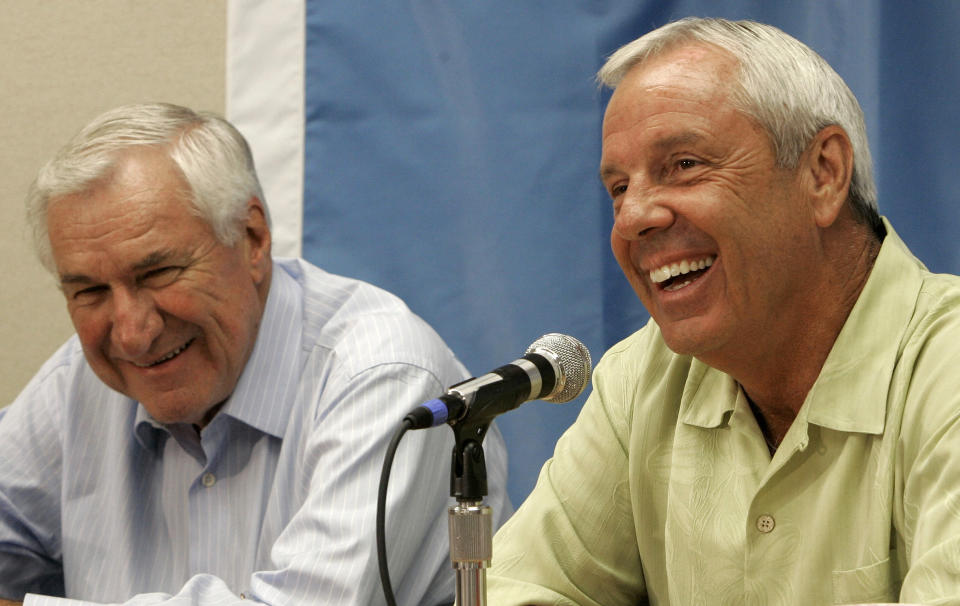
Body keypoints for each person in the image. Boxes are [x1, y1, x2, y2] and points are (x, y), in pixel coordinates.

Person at [487, 17, 960, 606]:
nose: (633, 218)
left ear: (823, 173)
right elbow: (519, 589)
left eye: (683, 164)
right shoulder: (641, 379)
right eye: (618, 188)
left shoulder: (947, 372)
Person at [0, 102, 511, 606]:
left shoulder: (382, 373)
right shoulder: (82, 379)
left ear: (252, 238)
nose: (132, 334)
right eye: (89, 291)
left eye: (157, 274)